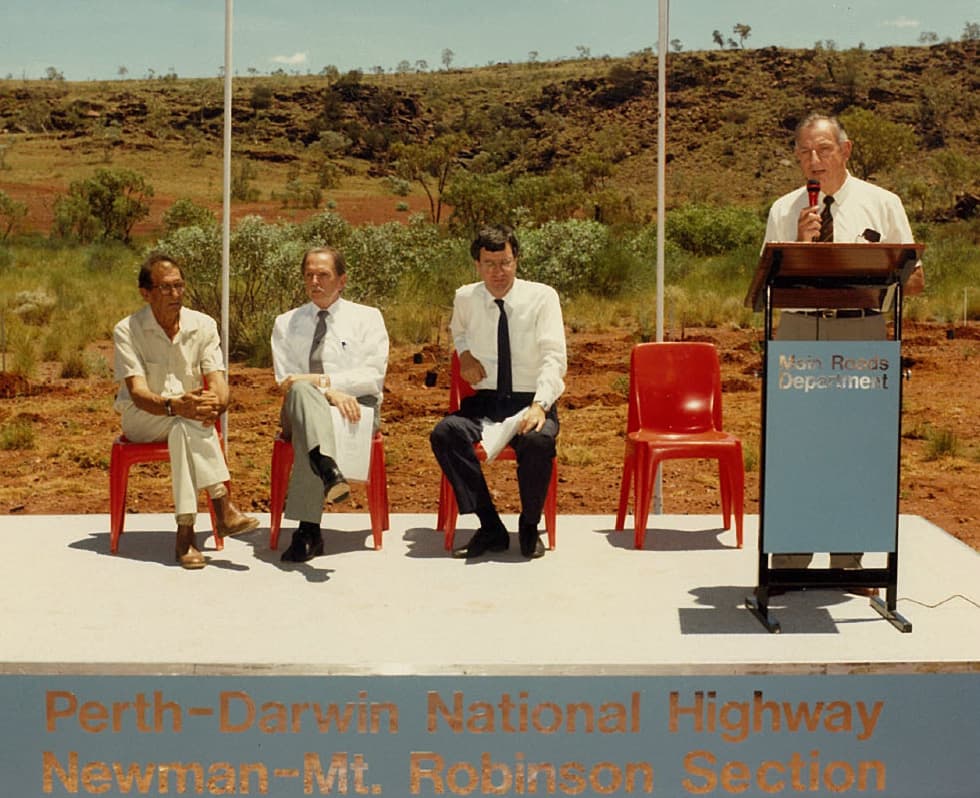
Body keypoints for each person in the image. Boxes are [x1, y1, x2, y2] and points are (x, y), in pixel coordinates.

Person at [764, 112, 924, 588]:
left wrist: (870, 264)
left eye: (823, 151)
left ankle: (848, 562)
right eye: (804, 153)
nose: (814, 162)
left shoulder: (883, 203)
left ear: (846, 151)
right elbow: (766, 280)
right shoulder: (784, 209)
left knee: (854, 447)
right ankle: (790, 560)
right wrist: (800, 244)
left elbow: (914, 280)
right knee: (797, 446)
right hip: (798, 333)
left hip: (861, 333)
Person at [113, 252, 259, 569]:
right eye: (165, 288)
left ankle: (185, 531)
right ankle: (222, 508)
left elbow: (218, 381)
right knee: (185, 420)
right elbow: (137, 393)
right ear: (146, 292)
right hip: (143, 417)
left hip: (188, 418)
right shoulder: (128, 329)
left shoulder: (202, 325)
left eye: (179, 285)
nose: (175, 294)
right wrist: (173, 405)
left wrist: (216, 404)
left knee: (183, 427)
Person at [430, 225, 567, 560]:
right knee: (445, 433)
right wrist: (464, 354)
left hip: (529, 401)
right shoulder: (465, 297)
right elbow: (458, 331)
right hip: (486, 403)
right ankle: (490, 525)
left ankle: (529, 526)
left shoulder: (542, 297)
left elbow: (554, 356)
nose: (498, 272)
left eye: (505, 262)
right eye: (489, 264)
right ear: (477, 264)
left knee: (538, 441)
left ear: (516, 260)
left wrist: (540, 405)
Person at [271, 246, 389, 563]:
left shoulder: (368, 318)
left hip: (356, 408)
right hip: (300, 408)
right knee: (302, 397)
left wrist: (327, 385)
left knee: (309, 417)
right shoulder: (286, 322)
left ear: (342, 280)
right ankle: (326, 468)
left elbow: (373, 376)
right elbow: (286, 380)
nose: (315, 281)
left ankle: (308, 531)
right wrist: (328, 393)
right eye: (309, 274)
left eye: (323, 275)